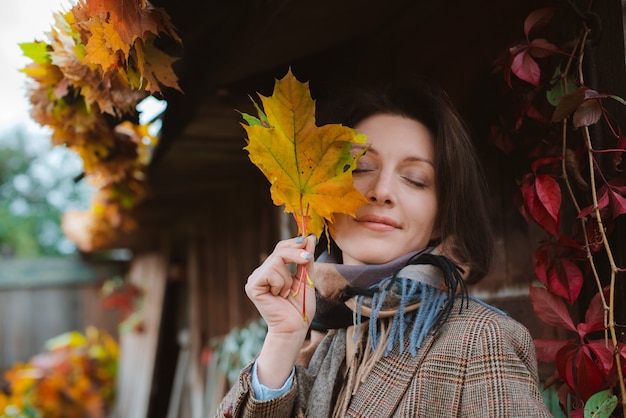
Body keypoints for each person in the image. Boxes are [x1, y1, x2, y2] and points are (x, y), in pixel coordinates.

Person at [215, 78, 552, 417]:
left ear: (440, 216)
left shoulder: (480, 341)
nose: (382, 191)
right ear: (322, 191)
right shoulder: (312, 341)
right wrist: (281, 342)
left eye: (415, 179)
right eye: (360, 168)